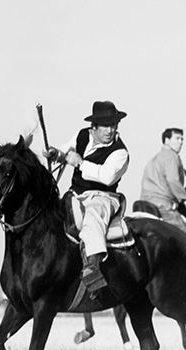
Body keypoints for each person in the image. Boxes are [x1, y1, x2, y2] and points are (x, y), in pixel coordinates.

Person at [45, 100, 129, 294]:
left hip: (103, 197)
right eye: (106, 125)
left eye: (113, 125)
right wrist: (55, 154)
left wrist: (80, 163)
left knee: (93, 216)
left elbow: (107, 177)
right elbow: (66, 152)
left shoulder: (121, 152)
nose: (110, 130)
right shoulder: (82, 135)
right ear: (94, 126)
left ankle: (93, 269)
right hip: (76, 193)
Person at [140, 128, 186, 233]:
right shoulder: (171, 157)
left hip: (144, 204)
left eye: (182, 139)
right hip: (163, 206)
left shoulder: (154, 159)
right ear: (167, 140)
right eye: (177, 138)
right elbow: (173, 180)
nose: (181, 142)